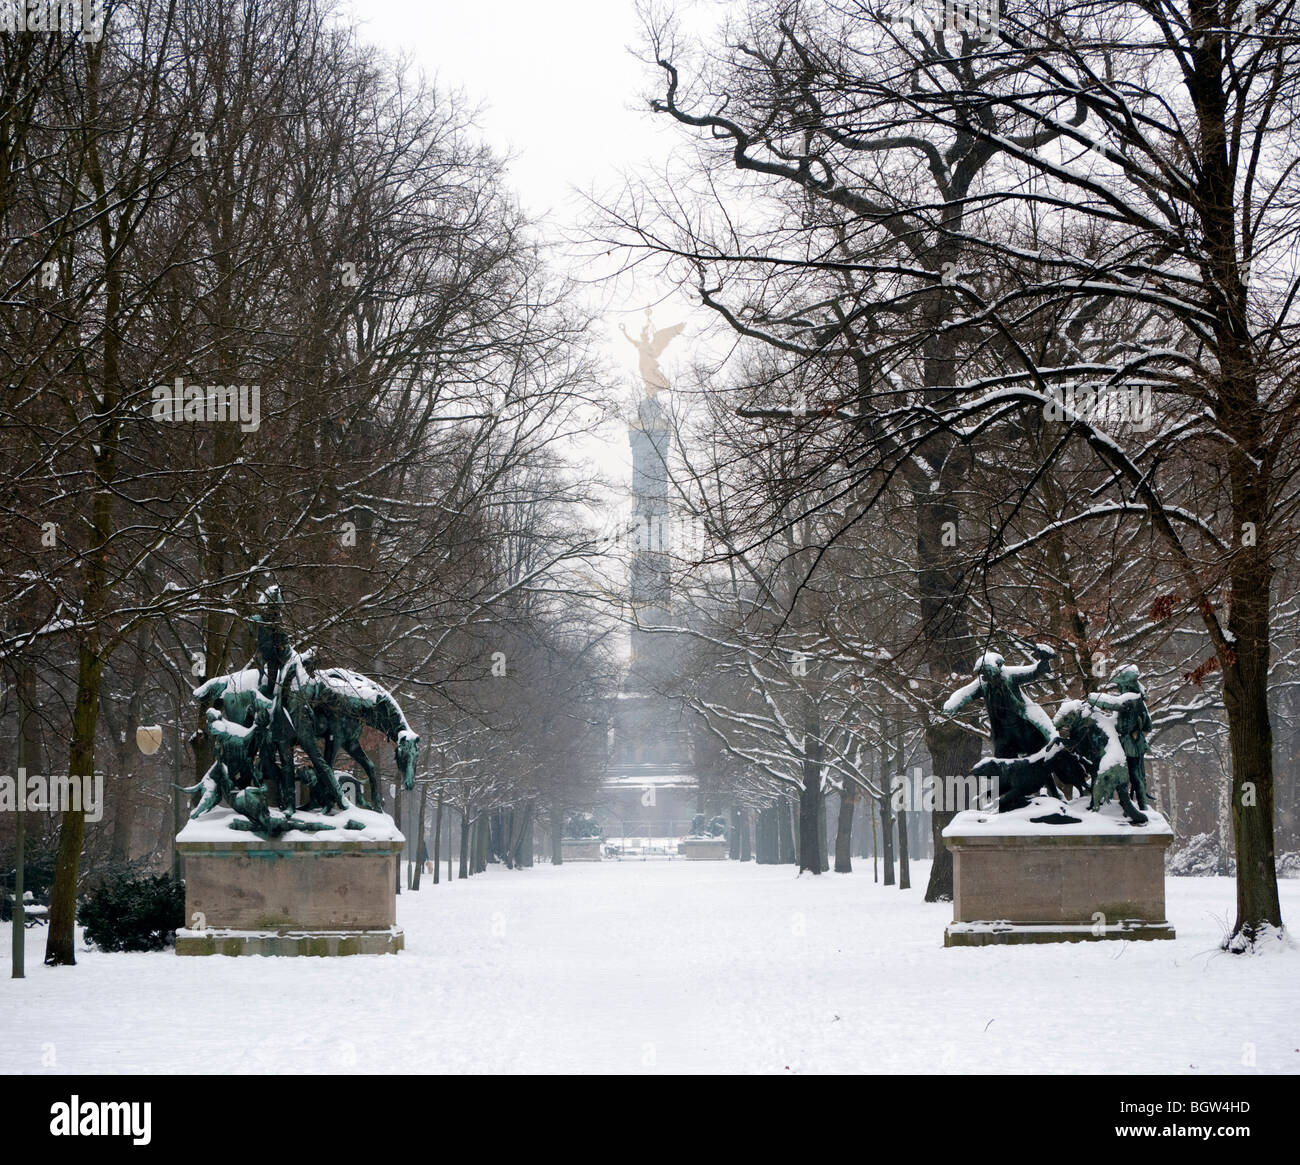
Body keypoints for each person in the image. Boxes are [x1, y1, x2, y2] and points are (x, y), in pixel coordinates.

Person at [1086, 663, 1152, 809]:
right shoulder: (1139, 700)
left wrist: (1092, 697)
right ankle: (1139, 804)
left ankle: (1142, 806)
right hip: (1133, 742)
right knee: (1135, 775)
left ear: (1125, 685)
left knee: (1134, 775)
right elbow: (1149, 726)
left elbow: (1112, 703)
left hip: (1129, 744)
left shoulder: (1130, 698)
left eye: (1119, 686)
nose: (1118, 689)